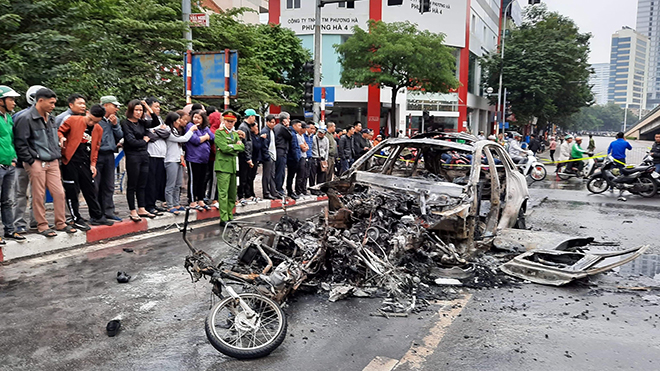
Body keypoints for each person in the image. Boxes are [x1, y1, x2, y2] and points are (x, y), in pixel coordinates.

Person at [14, 88, 77, 237]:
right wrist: (30, 160)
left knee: (59, 192)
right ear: (40, 100)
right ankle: (42, 225)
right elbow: (20, 143)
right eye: (51, 103)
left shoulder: (52, 118)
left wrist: (57, 154)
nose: (53, 106)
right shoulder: (26, 118)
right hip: (36, 161)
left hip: (52, 160)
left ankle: (60, 223)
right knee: (38, 194)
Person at [58, 104, 114, 229]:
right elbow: (60, 130)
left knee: (90, 189)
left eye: (95, 122)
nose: (91, 123)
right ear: (87, 113)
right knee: (72, 191)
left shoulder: (98, 129)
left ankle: (97, 216)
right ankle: (75, 218)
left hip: (85, 162)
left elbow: (96, 148)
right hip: (70, 161)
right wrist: (61, 138)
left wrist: (93, 164)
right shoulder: (73, 120)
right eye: (90, 119)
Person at [12, 85, 45, 234]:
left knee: (35, 193)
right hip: (23, 162)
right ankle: (19, 223)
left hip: (37, 161)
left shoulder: (45, 117)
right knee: (22, 194)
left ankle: (34, 221)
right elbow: (16, 140)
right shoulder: (20, 116)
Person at [121, 99, 157, 222]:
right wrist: (144, 141)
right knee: (132, 184)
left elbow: (155, 121)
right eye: (136, 110)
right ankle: (132, 210)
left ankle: (142, 207)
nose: (138, 112)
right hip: (132, 155)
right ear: (131, 110)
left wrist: (147, 106)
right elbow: (130, 141)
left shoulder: (142, 123)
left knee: (142, 183)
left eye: (140, 110)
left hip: (144, 154)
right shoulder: (125, 123)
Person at [0, 86, 25, 242]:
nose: (14, 102)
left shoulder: (8, 118)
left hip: (9, 165)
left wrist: (14, 158)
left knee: (8, 200)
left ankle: (10, 230)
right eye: (11, 99)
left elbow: (10, 140)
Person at [215, 111, 245, 227]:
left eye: (232, 122)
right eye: (228, 121)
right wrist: (235, 147)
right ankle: (223, 218)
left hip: (233, 166)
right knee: (223, 193)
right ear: (223, 121)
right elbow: (223, 147)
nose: (230, 124)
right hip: (222, 166)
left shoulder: (235, 134)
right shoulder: (219, 133)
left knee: (232, 193)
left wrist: (231, 146)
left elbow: (242, 147)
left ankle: (230, 215)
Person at [96, 96, 123, 222]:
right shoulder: (96, 119)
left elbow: (120, 136)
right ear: (105, 105)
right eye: (114, 106)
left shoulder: (114, 119)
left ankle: (108, 210)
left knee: (109, 184)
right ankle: (97, 213)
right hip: (97, 154)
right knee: (96, 184)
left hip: (109, 154)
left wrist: (115, 125)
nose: (117, 109)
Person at [164, 111, 196, 215]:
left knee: (178, 184)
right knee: (171, 184)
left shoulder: (175, 130)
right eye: (177, 120)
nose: (179, 122)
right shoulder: (168, 131)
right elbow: (183, 139)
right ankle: (169, 205)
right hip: (170, 160)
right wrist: (191, 131)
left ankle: (176, 203)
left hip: (177, 159)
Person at [185, 110, 214, 210]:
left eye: (199, 118)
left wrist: (205, 137)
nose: (196, 119)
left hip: (204, 158)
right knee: (194, 180)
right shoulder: (190, 126)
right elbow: (195, 140)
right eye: (195, 117)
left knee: (202, 180)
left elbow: (212, 137)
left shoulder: (205, 128)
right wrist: (205, 137)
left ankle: (200, 199)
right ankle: (192, 200)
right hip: (193, 158)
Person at [143, 97, 169, 215]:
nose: (158, 109)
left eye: (159, 107)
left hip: (161, 155)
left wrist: (156, 131)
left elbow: (166, 133)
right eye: (156, 107)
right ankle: (148, 205)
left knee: (158, 181)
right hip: (151, 154)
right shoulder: (145, 119)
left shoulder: (158, 119)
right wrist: (158, 131)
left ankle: (153, 204)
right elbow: (149, 135)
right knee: (150, 181)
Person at [237, 109, 257, 201]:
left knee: (246, 176)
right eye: (254, 117)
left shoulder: (245, 127)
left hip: (246, 155)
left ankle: (246, 194)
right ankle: (242, 195)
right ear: (250, 116)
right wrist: (248, 158)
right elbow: (245, 144)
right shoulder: (243, 128)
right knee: (243, 176)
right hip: (244, 156)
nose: (254, 119)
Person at [260, 115, 278, 199]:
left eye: (274, 122)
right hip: (268, 156)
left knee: (272, 175)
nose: (273, 124)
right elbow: (264, 146)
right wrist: (267, 156)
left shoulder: (272, 130)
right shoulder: (265, 131)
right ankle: (266, 193)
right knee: (267, 176)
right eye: (271, 122)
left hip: (273, 155)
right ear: (267, 122)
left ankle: (273, 191)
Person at [273, 112, 291, 197]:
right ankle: (279, 189)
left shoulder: (276, 127)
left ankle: (277, 188)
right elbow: (290, 136)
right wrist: (287, 127)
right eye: (288, 119)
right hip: (281, 151)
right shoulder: (282, 128)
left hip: (278, 150)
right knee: (280, 172)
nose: (289, 121)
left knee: (279, 171)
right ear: (284, 120)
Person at [286, 120, 303, 199]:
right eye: (299, 126)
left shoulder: (294, 134)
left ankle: (290, 190)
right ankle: (290, 191)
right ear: (294, 126)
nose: (300, 127)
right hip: (292, 159)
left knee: (292, 176)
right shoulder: (292, 134)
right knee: (291, 176)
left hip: (294, 158)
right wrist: (297, 158)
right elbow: (294, 148)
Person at [303, 122, 315, 189]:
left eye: (314, 129)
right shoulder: (303, 135)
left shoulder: (313, 136)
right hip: (304, 156)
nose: (313, 130)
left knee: (307, 174)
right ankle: (301, 190)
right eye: (311, 128)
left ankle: (304, 189)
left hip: (310, 157)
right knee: (302, 175)